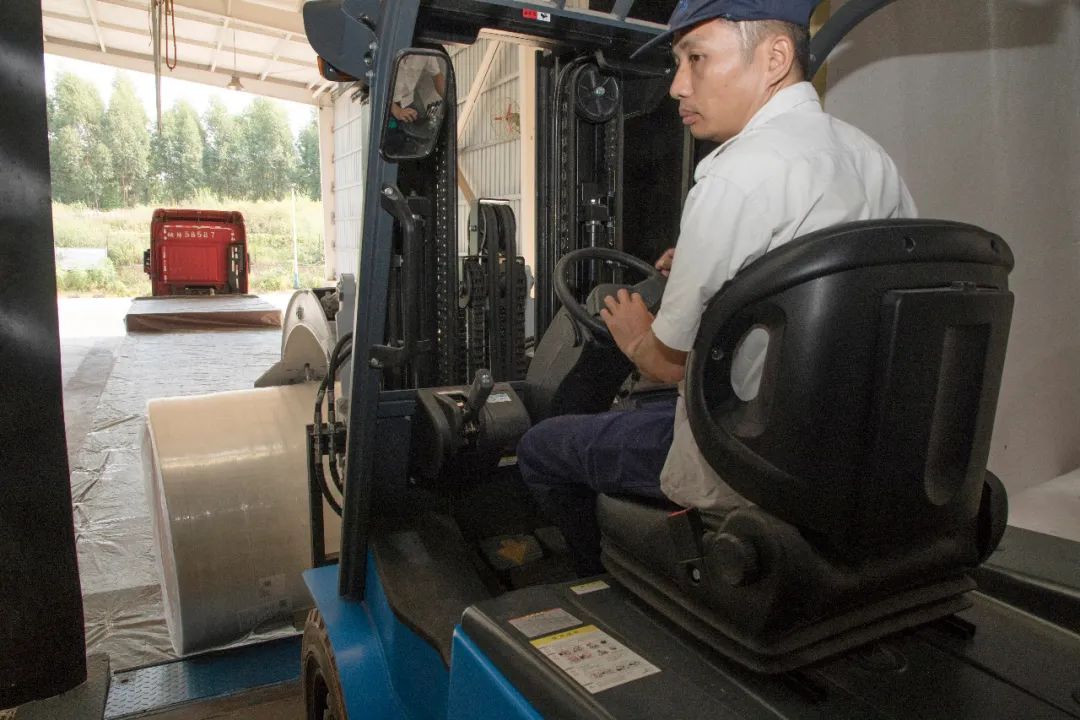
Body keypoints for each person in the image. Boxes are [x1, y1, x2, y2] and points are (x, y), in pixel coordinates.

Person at [517, 0, 918, 576]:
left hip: (742, 463)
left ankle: (609, 586)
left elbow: (666, 365)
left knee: (543, 447)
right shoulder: (870, 159)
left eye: (697, 59)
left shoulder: (734, 175)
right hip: (842, 453)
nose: (678, 86)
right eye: (678, 63)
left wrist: (634, 335)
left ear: (774, 58)